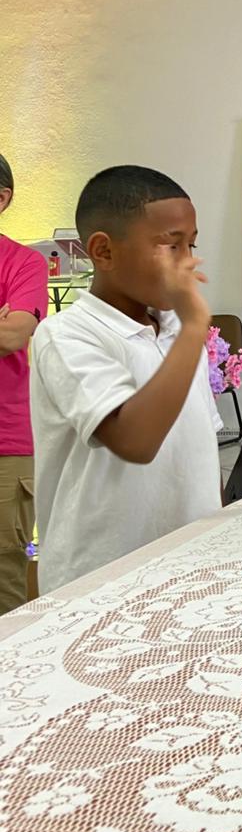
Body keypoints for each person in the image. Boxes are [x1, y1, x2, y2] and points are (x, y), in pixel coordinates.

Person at [30, 166, 222, 594]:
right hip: (97, 581)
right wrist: (194, 328)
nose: (187, 262)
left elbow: (200, 451)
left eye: (191, 245)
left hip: (190, 570)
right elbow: (135, 441)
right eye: (170, 245)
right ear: (104, 251)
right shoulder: (66, 335)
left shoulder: (176, 331)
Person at [0, 153, 48, 612]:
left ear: (2, 198)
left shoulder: (24, 263)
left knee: (3, 576)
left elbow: (13, 334)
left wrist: (7, 326)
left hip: (5, 444)